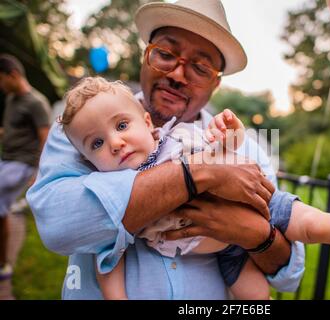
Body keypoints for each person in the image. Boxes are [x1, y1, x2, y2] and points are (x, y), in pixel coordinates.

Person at [26, 0, 306, 299]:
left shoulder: (247, 148)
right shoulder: (80, 127)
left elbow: (288, 274)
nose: (177, 74)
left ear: (216, 84)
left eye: (200, 67)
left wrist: (254, 235)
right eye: (165, 54)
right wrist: (199, 172)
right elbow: (60, 227)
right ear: (145, 55)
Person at [60, 77, 330, 300]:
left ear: (148, 123)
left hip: (257, 205)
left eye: (122, 125)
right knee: (253, 296)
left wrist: (230, 131)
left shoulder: (176, 139)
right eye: (96, 144)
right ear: (88, 160)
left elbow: (226, 155)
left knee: (314, 225)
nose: (116, 143)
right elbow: (108, 261)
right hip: (222, 254)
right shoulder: (115, 195)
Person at [0, 54, 51, 280]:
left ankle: (4, 264)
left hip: (23, 164)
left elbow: (45, 138)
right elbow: (12, 130)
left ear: (13, 75)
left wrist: (39, 173)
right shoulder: (11, 99)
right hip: (6, 159)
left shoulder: (36, 102)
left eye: (0, 79)